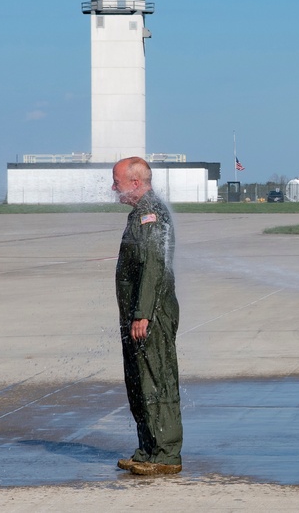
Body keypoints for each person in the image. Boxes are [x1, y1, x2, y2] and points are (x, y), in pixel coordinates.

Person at [111, 157, 184, 476]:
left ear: (136, 182)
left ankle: (166, 454)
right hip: (138, 314)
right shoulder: (140, 212)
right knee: (139, 381)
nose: (113, 188)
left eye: (117, 181)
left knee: (157, 380)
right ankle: (148, 449)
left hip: (150, 314)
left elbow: (153, 265)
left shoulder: (150, 214)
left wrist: (142, 314)